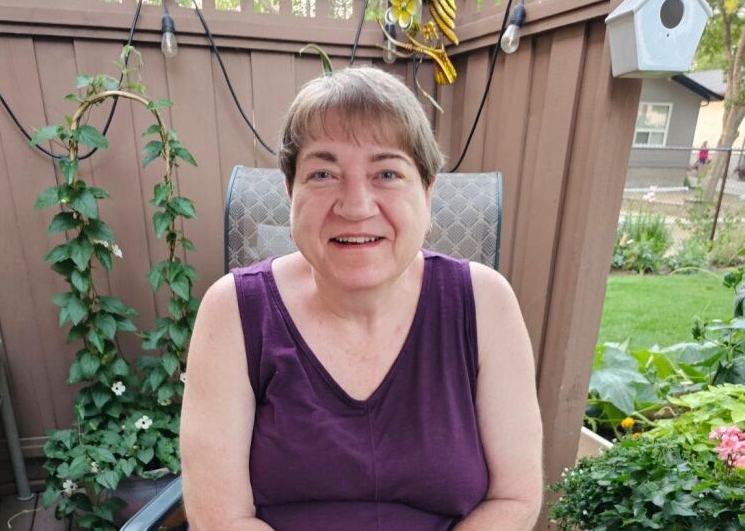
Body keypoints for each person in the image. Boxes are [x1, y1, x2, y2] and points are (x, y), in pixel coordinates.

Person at [180, 66, 543, 530]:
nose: (355, 206)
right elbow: (220, 519)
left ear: (428, 193)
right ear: (291, 192)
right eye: (324, 173)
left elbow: (514, 498)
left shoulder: (486, 302)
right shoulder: (232, 310)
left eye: (387, 173)